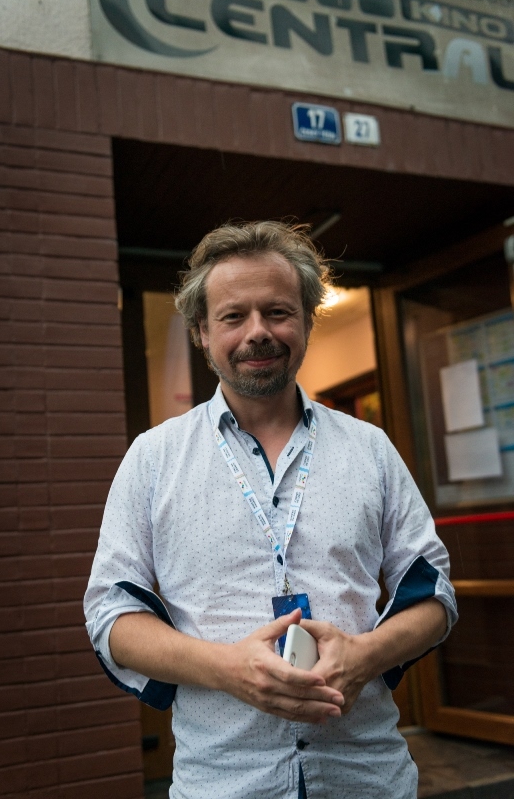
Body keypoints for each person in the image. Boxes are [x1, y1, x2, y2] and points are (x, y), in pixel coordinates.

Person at [84, 220, 457, 799]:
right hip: (223, 782)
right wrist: (227, 669)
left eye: (278, 312)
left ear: (307, 320)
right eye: (233, 316)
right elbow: (111, 615)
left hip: (367, 777)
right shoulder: (152, 459)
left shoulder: (370, 449)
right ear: (202, 332)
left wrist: (364, 656)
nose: (258, 332)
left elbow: (435, 595)